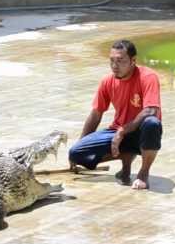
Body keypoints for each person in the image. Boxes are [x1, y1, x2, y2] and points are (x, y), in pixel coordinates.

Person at [68, 40, 162, 190]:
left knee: (152, 123)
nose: (114, 66)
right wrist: (80, 142)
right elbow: (96, 114)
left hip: (141, 132)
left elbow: (151, 110)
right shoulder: (107, 82)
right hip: (118, 131)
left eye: (120, 61)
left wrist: (122, 131)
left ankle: (144, 173)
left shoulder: (148, 77)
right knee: (76, 153)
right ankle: (125, 164)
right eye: (112, 61)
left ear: (133, 61)